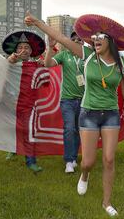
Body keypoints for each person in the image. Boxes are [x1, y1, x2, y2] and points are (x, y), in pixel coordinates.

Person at [25, 12, 124, 217]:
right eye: (93, 39)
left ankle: (106, 202)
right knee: (88, 162)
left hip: (111, 114)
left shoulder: (122, 62)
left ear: (110, 41)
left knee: (109, 159)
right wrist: (38, 23)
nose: (95, 41)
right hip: (89, 114)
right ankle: (84, 175)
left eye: (99, 38)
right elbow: (62, 39)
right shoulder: (88, 55)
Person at [2, 29, 46, 173]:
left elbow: (47, 77)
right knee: (12, 128)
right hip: (11, 102)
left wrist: (43, 64)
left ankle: (31, 161)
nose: (23, 50)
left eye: (26, 47)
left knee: (28, 131)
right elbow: (8, 61)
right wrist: (14, 56)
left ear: (31, 51)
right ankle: (12, 149)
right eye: (20, 47)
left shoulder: (36, 65)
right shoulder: (10, 63)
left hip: (29, 103)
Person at [41, 32, 84, 173]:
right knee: (69, 128)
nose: (77, 41)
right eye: (74, 39)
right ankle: (69, 161)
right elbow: (47, 64)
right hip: (68, 100)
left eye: (80, 39)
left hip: (85, 101)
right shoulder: (64, 55)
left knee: (78, 130)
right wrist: (50, 47)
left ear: (84, 43)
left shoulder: (88, 57)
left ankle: (73, 157)